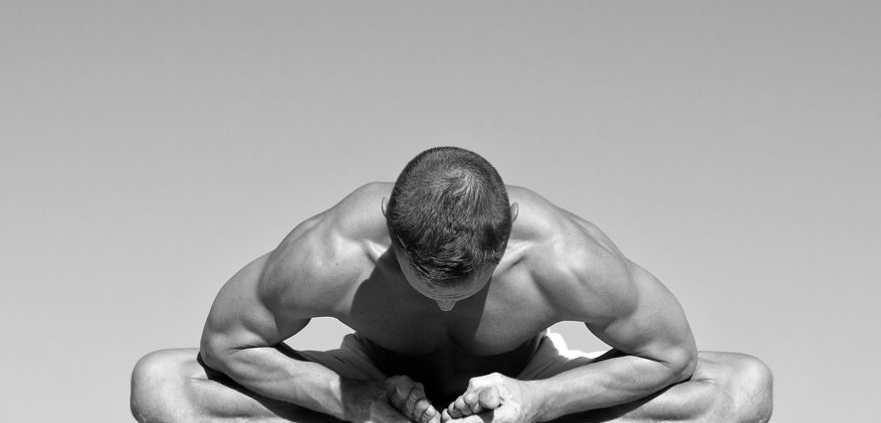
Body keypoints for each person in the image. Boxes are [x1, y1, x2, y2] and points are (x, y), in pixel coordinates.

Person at [130, 147, 773, 423]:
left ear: (509, 235)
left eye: (466, 286)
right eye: (424, 282)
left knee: (742, 387)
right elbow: (226, 345)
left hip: (526, 394)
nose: (444, 302)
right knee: (162, 382)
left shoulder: (563, 255)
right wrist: (349, 399)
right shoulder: (333, 250)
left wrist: (538, 402)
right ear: (389, 235)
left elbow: (672, 355)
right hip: (370, 398)